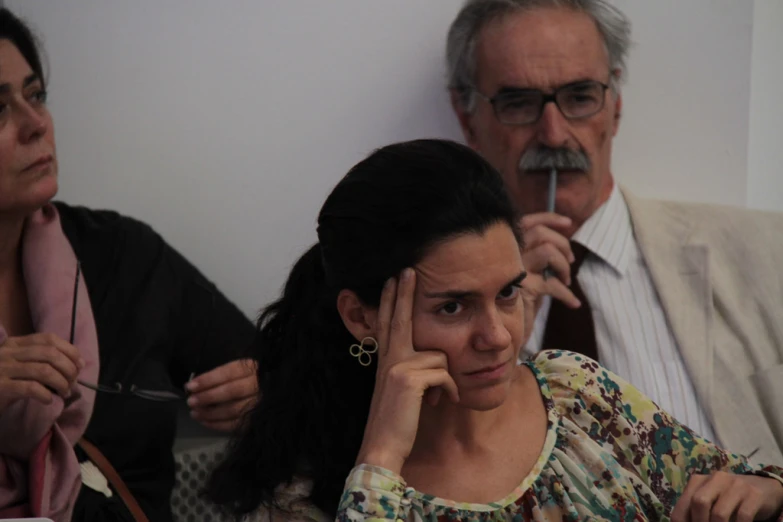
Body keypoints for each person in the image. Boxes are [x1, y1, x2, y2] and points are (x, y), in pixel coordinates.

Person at [207, 139, 783, 521]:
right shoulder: (305, 494)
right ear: (361, 317)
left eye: (507, 293)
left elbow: (751, 482)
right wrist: (381, 456)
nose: (499, 336)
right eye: (453, 308)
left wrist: (765, 492)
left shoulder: (575, 392)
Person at [445, 0, 783, 466]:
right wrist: (501, 303)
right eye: (518, 103)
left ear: (616, 107)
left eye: (580, 97)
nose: (554, 134)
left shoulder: (768, 251)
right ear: (467, 120)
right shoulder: (437, 298)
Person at [0, 8, 257, 521]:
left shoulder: (122, 256)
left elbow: (284, 366)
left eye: (36, 95)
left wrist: (262, 386)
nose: (36, 125)